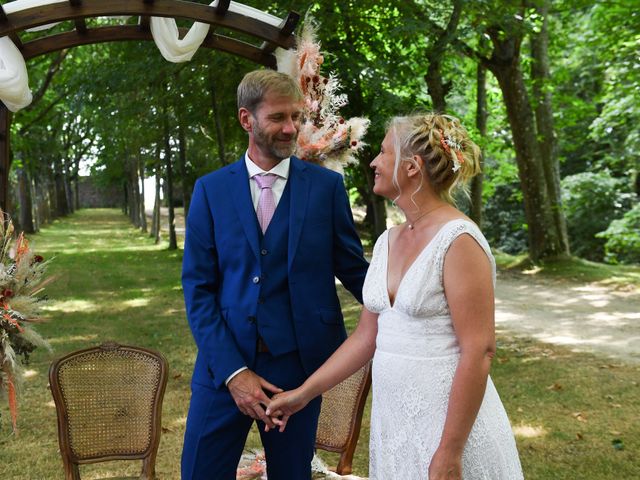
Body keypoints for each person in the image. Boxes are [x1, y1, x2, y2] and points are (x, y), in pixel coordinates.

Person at [266, 113, 524, 479]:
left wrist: (450, 452)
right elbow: (366, 337)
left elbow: (479, 350)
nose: (373, 161)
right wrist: (304, 393)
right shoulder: (389, 240)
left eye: (384, 152)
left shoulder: (459, 240)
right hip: (395, 422)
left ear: (412, 166)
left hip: (448, 426)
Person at [180, 69, 369, 480]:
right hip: (224, 368)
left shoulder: (325, 188)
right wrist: (234, 374)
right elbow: (198, 289)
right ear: (247, 119)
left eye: (296, 118)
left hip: (299, 370)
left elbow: (356, 271)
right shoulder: (210, 191)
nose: (291, 128)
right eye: (278, 118)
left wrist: (410, 298)